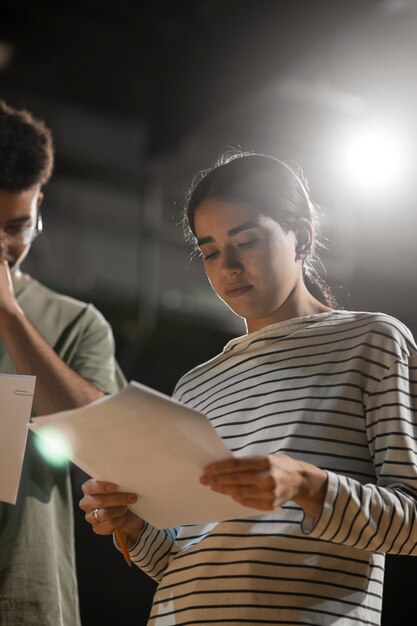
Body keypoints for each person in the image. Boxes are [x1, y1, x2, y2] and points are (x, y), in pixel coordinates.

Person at [80, 151, 417, 625]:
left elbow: (413, 521)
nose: (229, 266)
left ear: (301, 236)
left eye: (247, 241)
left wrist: (306, 484)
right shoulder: (195, 385)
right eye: (211, 251)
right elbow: (181, 562)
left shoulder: (373, 341)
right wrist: (133, 526)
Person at [0, 99, 126, 625]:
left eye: (16, 227)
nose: (4, 247)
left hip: (24, 603)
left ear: (39, 210)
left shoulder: (75, 323)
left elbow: (110, 456)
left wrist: (8, 314)